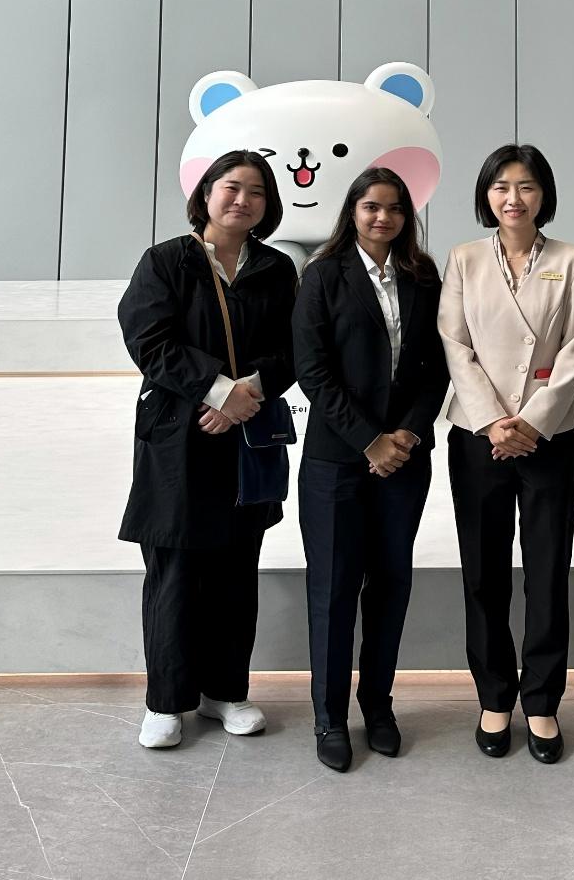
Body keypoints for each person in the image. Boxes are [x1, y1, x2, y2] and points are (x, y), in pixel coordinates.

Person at [118, 149, 297, 750]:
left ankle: (226, 692)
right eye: (231, 187)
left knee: (236, 568)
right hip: (178, 437)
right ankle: (166, 701)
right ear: (206, 194)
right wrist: (219, 390)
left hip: (244, 435)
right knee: (174, 569)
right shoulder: (166, 261)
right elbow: (149, 340)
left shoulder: (276, 268)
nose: (242, 200)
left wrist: (249, 394)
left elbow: (294, 347)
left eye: (256, 191)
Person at [437, 144, 574, 764]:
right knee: (483, 572)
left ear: (543, 194)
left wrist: (530, 421)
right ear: (486, 195)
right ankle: (495, 697)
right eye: (501, 187)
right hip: (478, 436)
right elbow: (455, 344)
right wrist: (493, 422)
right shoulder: (464, 258)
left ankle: (544, 702)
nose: (513, 198)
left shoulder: (571, 259)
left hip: (549, 436)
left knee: (548, 571)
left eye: (526, 186)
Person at [292, 167, 449, 773]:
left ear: (408, 216)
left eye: (394, 208)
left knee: (390, 585)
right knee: (333, 590)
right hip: (337, 462)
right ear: (352, 212)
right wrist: (368, 441)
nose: (383, 217)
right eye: (371, 207)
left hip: (404, 459)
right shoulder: (323, 275)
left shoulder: (422, 275)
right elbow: (313, 370)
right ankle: (329, 716)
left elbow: (436, 365)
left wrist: (407, 433)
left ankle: (377, 707)